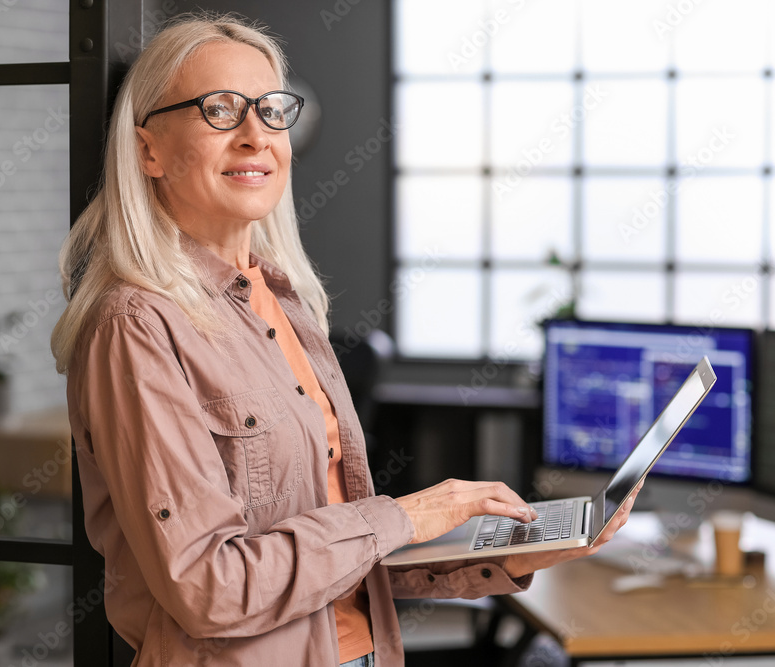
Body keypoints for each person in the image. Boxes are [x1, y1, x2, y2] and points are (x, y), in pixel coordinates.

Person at [51, 13, 641, 667]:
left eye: (272, 112)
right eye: (220, 110)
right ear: (147, 151)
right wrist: (408, 514)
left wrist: (518, 549)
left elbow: (345, 557)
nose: (256, 136)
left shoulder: (288, 301)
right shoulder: (137, 326)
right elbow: (207, 586)